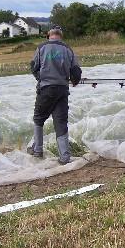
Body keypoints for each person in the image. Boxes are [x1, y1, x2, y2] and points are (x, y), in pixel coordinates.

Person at [28, 25, 82, 162]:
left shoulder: (41, 48)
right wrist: (74, 81)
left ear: (49, 35)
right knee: (61, 122)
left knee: (38, 118)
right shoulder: (68, 49)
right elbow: (76, 71)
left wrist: (41, 77)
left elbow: (33, 67)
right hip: (62, 90)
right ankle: (64, 157)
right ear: (60, 35)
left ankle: (38, 149)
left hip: (46, 89)